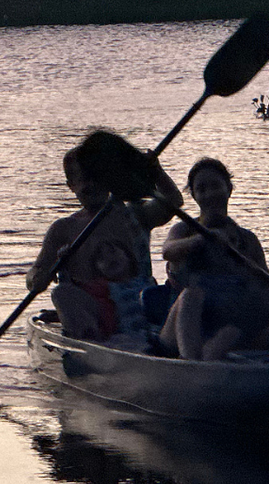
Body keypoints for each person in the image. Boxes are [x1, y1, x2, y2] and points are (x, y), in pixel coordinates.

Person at [28, 137, 180, 346]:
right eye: (83, 179)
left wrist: (156, 172)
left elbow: (173, 201)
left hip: (139, 309)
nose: (91, 184)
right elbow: (35, 274)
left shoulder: (135, 214)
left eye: (96, 177)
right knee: (61, 293)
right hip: (95, 320)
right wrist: (38, 278)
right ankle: (94, 345)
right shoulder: (63, 229)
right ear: (71, 185)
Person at [160, 157, 269, 361]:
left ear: (228, 189)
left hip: (228, 331)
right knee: (190, 295)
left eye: (216, 186)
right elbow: (168, 251)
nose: (209, 194)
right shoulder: (184, 230)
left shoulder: (247, 240)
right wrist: (203, 239)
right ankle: (191, 364)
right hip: (182, 332)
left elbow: (268, 287)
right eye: (202, 189)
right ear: (194, 196)